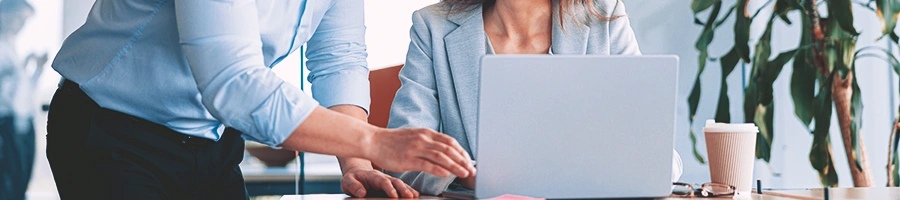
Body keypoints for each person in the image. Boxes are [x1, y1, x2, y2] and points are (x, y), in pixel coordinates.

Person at [48, 1, 475, 199]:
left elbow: (338, 58)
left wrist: (358, 165)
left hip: (210, 144)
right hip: (112, 131)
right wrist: (375, 142)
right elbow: (231, 81)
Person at [386, 0, 683, 195]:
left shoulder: (603, 17)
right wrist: (467, 173)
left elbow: (659, 159)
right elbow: (399, 158)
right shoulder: (432, 26)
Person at [0, 0, 47, 199]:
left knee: (19, 183)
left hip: (20, 126)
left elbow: (23, 95)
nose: (20, 24)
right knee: (10, 184)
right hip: (7, 127)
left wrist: (35, 70)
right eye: (17, 17)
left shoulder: (11, 47)